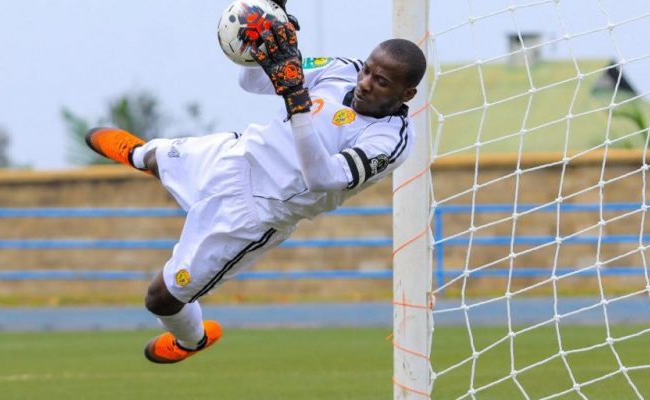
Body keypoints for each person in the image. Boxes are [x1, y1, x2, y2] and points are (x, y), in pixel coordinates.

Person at [85, 10, 426, 364]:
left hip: (254, 212)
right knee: (154, 157)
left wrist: (297, 102)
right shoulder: (341, 69)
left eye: (381, 81)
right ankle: (139, 154)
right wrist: (259, 42)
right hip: (238, 154)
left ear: (407, 93)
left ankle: (192, 340)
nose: (365, 82)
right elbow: (252, 83)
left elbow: (322, 178)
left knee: (160, 299)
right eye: (367, 70)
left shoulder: (390, 140)